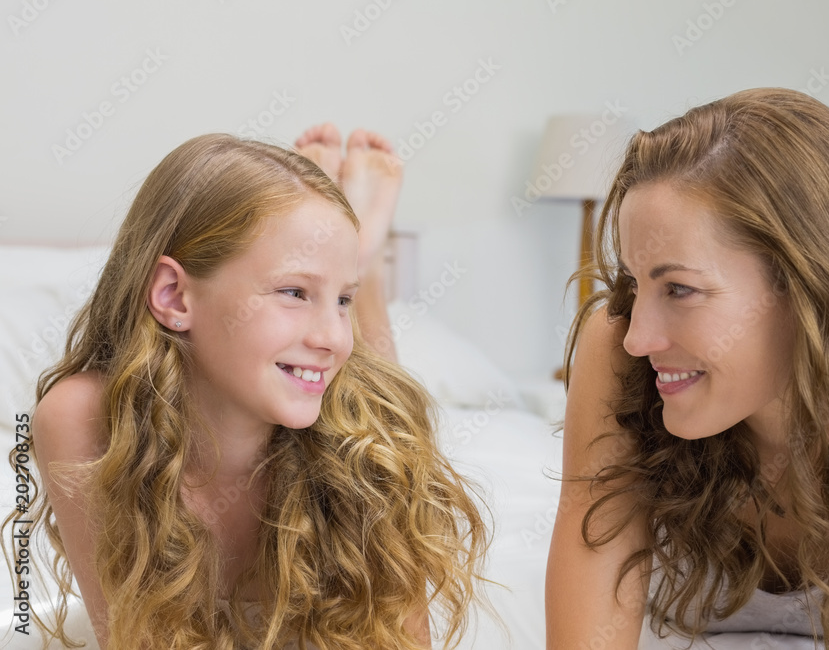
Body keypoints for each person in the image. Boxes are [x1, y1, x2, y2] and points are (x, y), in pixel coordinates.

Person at [545, 88, 829, 649]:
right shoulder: (614, 347)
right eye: (637, 285)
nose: (639, 337)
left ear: (808, 284)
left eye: (680, 288)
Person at [4, 124, 488, 649]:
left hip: (368, 410)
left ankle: (360, 267)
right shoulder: (81, 417)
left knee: (377, 400)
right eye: (294, 291)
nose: (332, 338)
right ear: (175, 296)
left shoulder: (376, 435)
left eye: (342, 301)